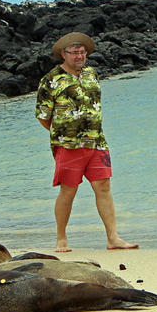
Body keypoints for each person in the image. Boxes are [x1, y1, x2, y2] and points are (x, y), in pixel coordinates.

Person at [35, 32, 139, 253]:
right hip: (68, 144)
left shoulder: (91, 73)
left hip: (97, 140)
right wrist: (65, 132)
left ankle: (113, 238)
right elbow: (43, 116)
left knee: (103, 186)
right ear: (63, 54)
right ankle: (61, 239)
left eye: (82, 52)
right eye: (75, 52)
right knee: (68, 190)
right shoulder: (51, 79)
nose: (80, 56)